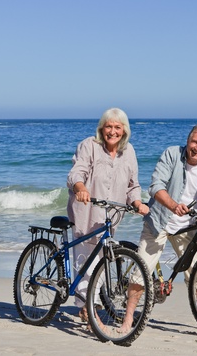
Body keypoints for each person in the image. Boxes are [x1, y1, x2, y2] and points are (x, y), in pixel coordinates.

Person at [120, 124, 197, 333]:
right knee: (140, 273)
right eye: (194, 142)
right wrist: (173, 205)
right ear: (187, 140)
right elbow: (155, 186)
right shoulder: (172, 154)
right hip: (160, 221)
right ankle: (127, 319)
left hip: (188, 226)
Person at [66, 107, 149, 323]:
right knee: (85, 259)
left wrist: (138, 202)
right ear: (102, 128)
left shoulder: (129, 151)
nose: (112, 131)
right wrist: (80, 188)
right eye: (109, 126)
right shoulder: (89, 146)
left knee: (103, 259)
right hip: (87, 212)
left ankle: (90, 302)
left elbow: (133, 185)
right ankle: (86, 307)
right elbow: (77, 172)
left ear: (124, 130)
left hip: (111, 214)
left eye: (117, 127)